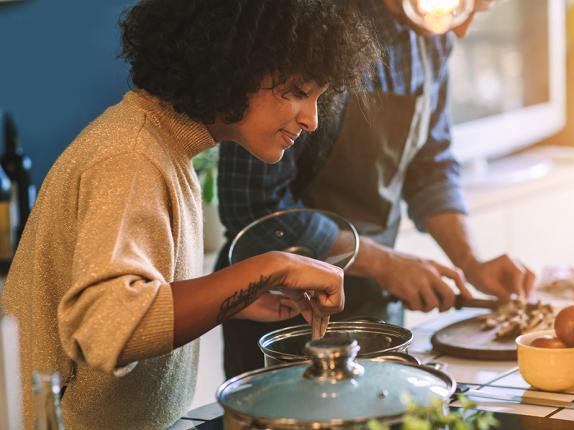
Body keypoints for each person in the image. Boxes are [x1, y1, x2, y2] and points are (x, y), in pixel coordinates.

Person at [0, 1, 379, 428]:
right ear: (235, 64)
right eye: (297, 91)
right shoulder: (131, 156)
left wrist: (234, 300)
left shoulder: (162, 146)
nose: (311, 119)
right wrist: (273, 266)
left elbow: (141, 289)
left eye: (319, 98)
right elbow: (108, 326)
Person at [215, 0, 537, 377]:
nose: (462, 31)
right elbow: (256, 207)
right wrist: (383, 263)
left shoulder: (431, 39)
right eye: (460, 7)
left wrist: (471, 262)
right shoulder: (301, 28)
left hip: (374, 305)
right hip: (282, 314)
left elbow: (430, 164)